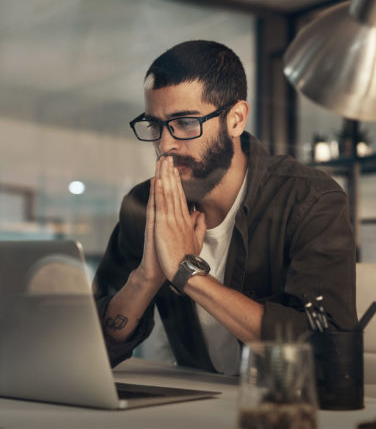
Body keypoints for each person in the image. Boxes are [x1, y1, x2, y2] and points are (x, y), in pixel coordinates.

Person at [93, 40, 356, 375]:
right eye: (155, 125)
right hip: (196, 406)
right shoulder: (145, 205)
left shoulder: (310, 199)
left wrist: (186, 272)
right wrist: (146, 278)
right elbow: (90, 349)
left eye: (185, 122)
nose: (164, 144)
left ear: (235, 119)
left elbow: (327, 351)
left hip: (281, 409)